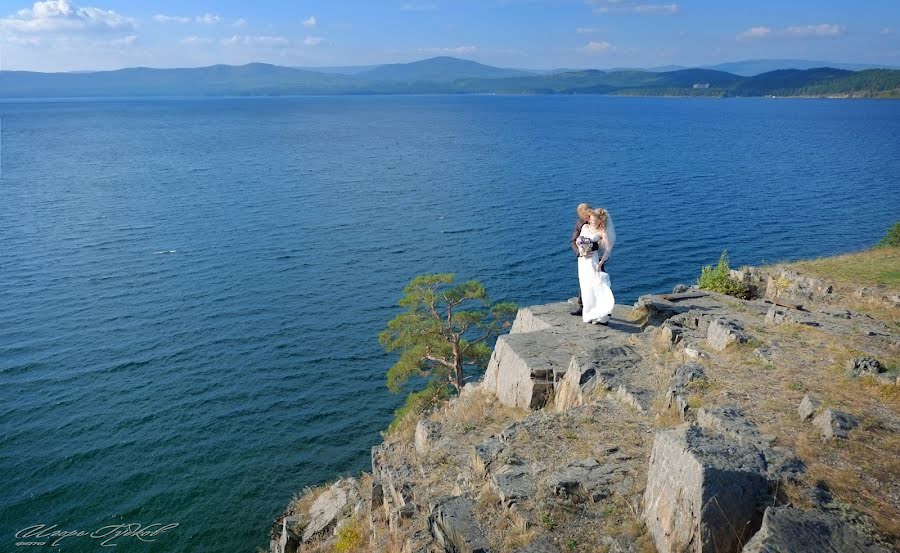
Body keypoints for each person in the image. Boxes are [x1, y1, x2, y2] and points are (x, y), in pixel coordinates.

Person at [577, 208, 615, 325]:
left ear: (600, 221)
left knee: (596, 286)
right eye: (591, 219)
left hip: (593, 261)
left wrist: (600, 263)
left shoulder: (602, 232)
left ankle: (602, 315)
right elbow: (578, 240)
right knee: (585, 286)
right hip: (582, 260)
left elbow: (608, 250)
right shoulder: (585, 227)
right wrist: (582, 252)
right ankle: (589, 314)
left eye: (594, 220)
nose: (592, 221)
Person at [569, 203, 599, 316]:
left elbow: (603, 239)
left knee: (598, 282)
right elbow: (573, 241)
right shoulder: (579, 223)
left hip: (596, 257)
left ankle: (602, 308)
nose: (585, 217)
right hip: (583, 257)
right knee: (584, 281)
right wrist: (580, 252)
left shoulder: (598, 221)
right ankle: (583, 306)